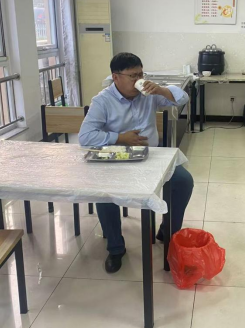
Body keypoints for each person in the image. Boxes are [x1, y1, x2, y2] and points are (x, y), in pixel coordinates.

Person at [79, 52, 194, 273]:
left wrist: (160, 90)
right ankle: (115, 248)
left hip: (150, 155)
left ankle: (168, 232)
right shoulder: (102, 101)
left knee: (183, 181)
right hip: (117, 157)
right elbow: (85, 137)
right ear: (116, 77)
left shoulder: (148, 94)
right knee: (103, 194)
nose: (138, 79)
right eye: (132, 76)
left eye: (141, 74)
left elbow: (182, 98)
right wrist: (120, 138)